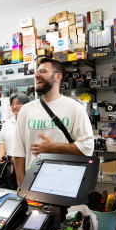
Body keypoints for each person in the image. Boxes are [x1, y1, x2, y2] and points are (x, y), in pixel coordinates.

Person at [10, 58, 94, 187]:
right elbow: (18, 151)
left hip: (65, 183)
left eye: (43, 71)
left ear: (57, 76)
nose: (36, 75)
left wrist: (55, 147)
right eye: (37, 72)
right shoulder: (26, 110)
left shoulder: (75, 108)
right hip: (32, 183)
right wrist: (21, 183)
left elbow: (87, 148)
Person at [0, 93, 30, 164]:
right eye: (12, 104)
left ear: (27, 105)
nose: (15, 107)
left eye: (18, 103)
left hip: (27, 161)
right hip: (10, 162)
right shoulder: (7, 124)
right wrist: (1, 156)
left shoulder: (31, 123)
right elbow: (2, 141)